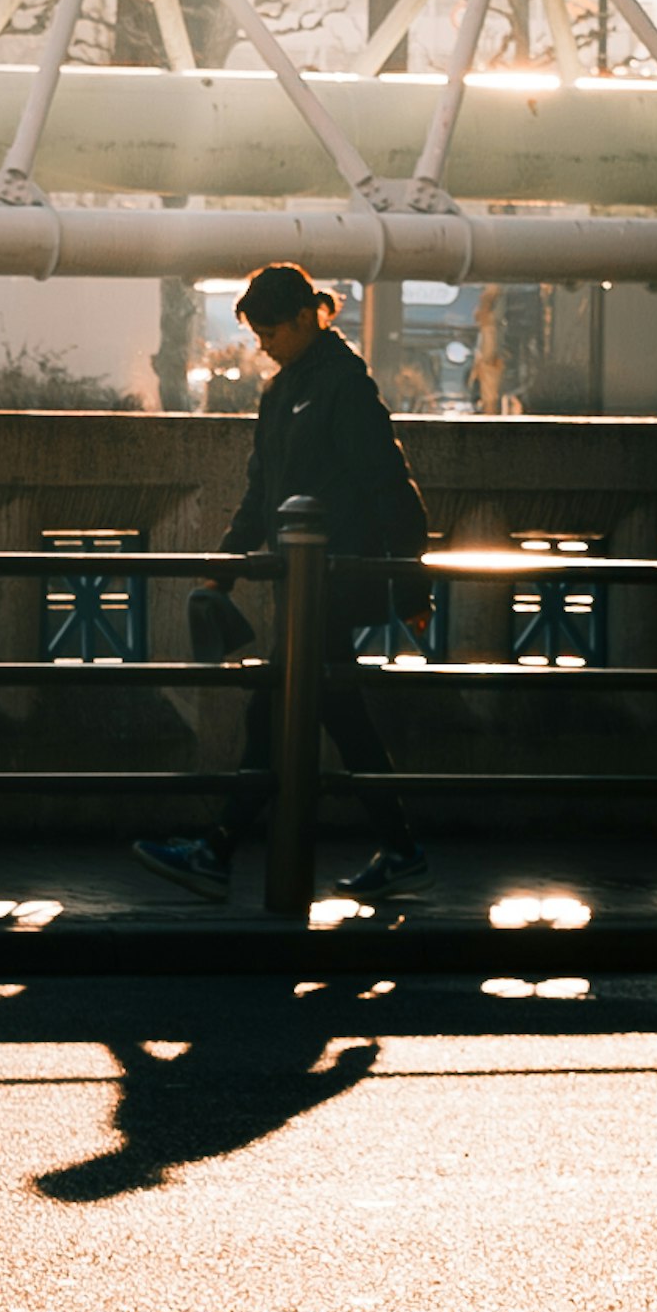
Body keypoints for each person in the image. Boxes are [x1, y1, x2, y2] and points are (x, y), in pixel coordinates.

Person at [137, 263, 434, 901]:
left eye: (271, 331)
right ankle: (401, 847)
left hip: (331, 581)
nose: (263, 345)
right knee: (334, 716)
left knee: (272, 716)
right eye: (257, 334)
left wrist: (411, 588)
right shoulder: (283, 391)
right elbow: (260, 492)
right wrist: (224, 566)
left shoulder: (344, 387)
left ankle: (218, 849)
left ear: (306, 318)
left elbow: (391, 488)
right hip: (302, 587)